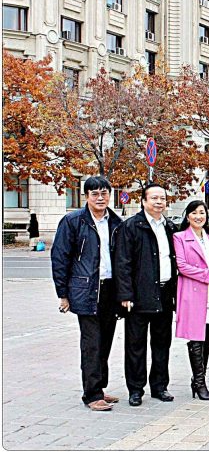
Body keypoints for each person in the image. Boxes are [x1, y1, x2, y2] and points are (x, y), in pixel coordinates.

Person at [51, 176, 123, 411]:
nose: (100, 198)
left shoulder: (116, 222)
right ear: (86, 196)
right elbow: (60, 258)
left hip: (110, 289)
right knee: (91, 343)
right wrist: (63, 294)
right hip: (86, 289)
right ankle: (91, 395)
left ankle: (99, 387)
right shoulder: (73, 221)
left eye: (104, 193)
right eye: (95, 194)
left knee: (106, 341)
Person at [115, 183, 178, 406]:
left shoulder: (170, 227)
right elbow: (122, 263)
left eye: (162, 198)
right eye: (154, 198)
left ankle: (160, 386)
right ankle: (135, 389)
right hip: (139, 295)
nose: (159, 202)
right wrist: (125, 295)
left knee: (162, 343)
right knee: (136, 345)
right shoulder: (131, 226)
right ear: (143, 201)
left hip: (164, 293)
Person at [173, 200, 209, 400]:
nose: (198, 216)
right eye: (194, 213)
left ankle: (199, 380)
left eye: (202, 212)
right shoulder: (180, 237)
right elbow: (182, 266)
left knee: (206, 336)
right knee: (196, 337)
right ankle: (199, 383)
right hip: (192, 292)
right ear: (187, 216)